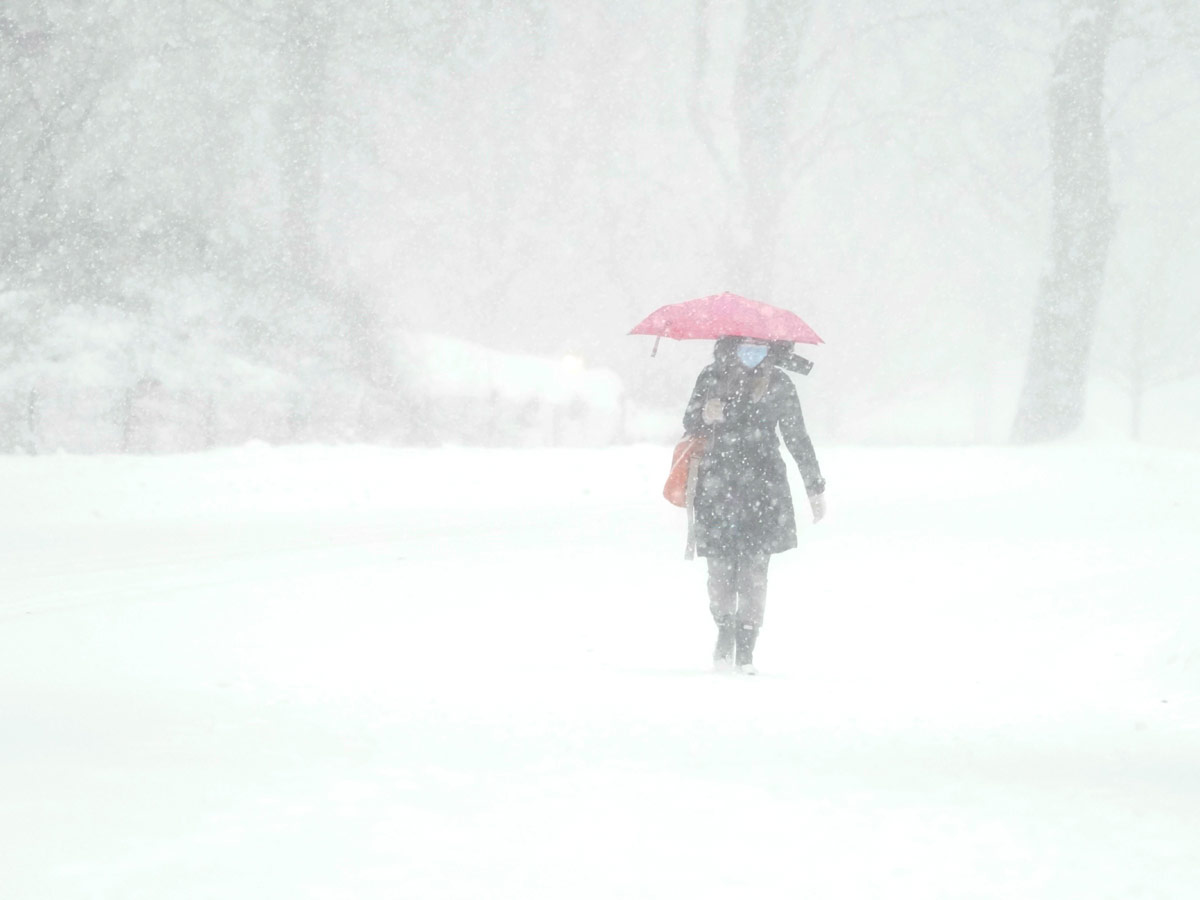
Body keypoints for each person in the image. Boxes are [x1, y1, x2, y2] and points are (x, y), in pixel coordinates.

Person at [682, 336, 826, 673]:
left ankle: (746, 647)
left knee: (754, 572)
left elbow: (796, 436)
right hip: (717, 484)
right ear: (731, 347)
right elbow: (689, 423)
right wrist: (705, 414)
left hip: (764, 488)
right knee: (718, 569)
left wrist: (814, 485)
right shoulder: (710, 377)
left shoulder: (779, 382)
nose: (752, 353)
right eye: (746, 346)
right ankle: (724, 630)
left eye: (759, 347)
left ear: (771, 350)